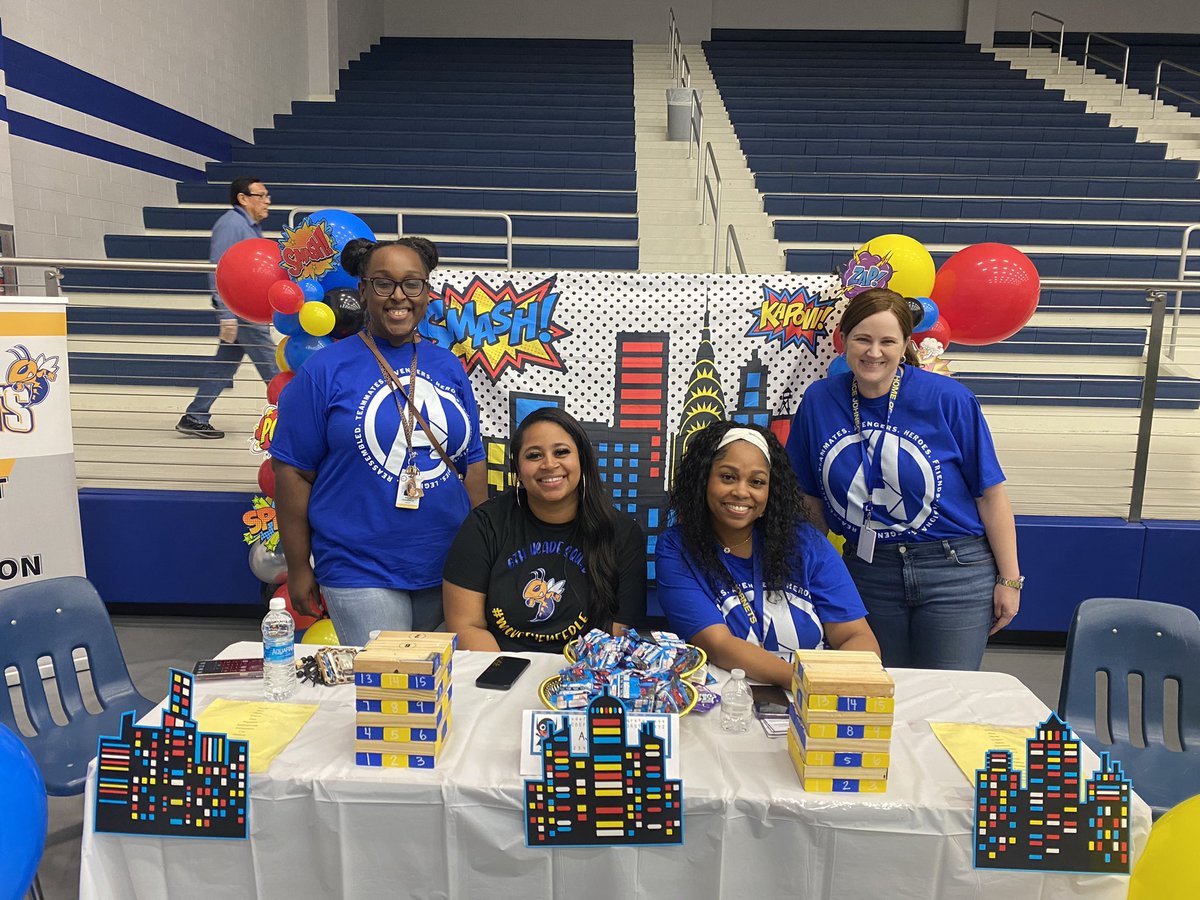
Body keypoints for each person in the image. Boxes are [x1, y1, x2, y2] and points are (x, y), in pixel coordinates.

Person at [787, 287, 1022, 671]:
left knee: (947, 697)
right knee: (874, 690)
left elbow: (990, 496)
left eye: (887, 341)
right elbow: (808, 500)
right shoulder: (819, 401)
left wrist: (1010, 580)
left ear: (906, 345)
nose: (873, 352)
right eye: (862, 339)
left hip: (955, 571)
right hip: (868, 569)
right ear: (843, 341)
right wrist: (816, 570)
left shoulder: (949, 399)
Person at [271, 236, 487, 646]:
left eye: (412, 284)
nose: (398, 296)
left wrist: (484, 556)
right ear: (363, 291)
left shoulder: (449, 366)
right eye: (383, 283)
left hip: (449, 566)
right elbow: (293, 472)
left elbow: (471, 461)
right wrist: (299, 567)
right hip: (359, 566)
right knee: (392, 690)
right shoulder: (324, 370)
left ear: (427, 293)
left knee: (438, 691)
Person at [655, 422, 879, 689]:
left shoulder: (805, 543)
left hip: (817, 699)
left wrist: (838, 686)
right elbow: (719, 645)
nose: (741, 491)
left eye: (757, 482)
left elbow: (855, 635)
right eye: (727, 477)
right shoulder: (676, 548)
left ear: (770, 491)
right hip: (729, 704)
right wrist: (806, 684)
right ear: (703, 481)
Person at [443, 407, 647, 653]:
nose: (549, 464)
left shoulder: (623, 534)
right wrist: (506, 679)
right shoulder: (484, 525)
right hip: (501, 670)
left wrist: (574, 683)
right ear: (517, 468)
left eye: (561, 452)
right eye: (534, 455)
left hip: (584, 674)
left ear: (582, 459)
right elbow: (467, 626)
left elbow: (620, 631)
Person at [176, 176, 279, 439]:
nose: (267, 201)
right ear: (243, 199)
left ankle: (195, 415)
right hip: (241, 311)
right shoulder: (232, 225)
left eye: (268, 195)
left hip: (244, 309)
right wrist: (226, 314)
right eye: (261, 196)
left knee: (224, 364)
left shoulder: (249, 226)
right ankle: (295, 416)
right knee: (270, 363)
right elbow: (218, 270)